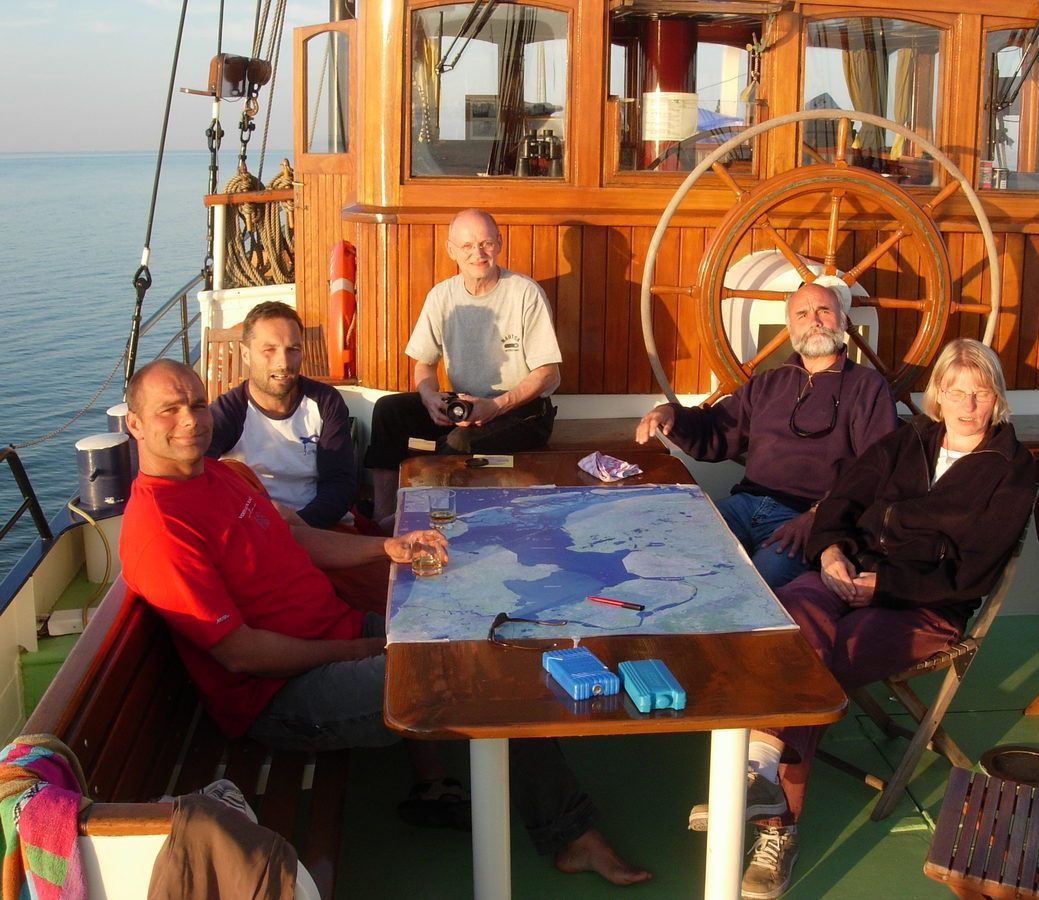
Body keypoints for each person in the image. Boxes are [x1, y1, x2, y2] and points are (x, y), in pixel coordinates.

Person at [119, 359, 649, 886]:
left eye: (196, 403)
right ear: (135, 424)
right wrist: (356, 651)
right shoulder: (160, 529)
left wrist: (387, 547)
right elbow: (241, 653)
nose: (191, 418)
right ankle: (571, 835)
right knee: (475, 673)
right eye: (169, 409)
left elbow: (297, 539)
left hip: (339, 638)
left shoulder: (219, 472)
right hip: (281, 695)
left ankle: (520, 809)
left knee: (476, 639)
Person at [689, 338, 1038, 900]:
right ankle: (760, 777)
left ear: (996, 399)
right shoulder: (908, 441)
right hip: (847, 575)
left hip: (923, 607)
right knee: (788, 630)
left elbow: (972, 576)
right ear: (939, 396)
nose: (967, 405)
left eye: (980, 393)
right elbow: (842, 505)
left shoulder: (1011, 473)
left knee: (815, 669)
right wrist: (830, 554)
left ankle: (774, 820)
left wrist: (886, 584)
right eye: (956, 391)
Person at [635, 283, 897, 586]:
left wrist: (819, 517)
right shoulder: (768, 383)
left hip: (804, 519)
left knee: (757, 586)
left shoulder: (868, 387)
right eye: (802, 314)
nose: (814, 321)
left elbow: (875, 471)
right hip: (745, 503)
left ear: (843, 321)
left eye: (824, 311)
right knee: (671, 550)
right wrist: (672, 414)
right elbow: (718, 429)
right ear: (790, 328)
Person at [364, 209, 562, 524]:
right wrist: (429, 396)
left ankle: (435, 522)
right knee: (388, 411)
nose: (478, 254)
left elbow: (547, 372)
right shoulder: (441, 296)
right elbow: (424, 364)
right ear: (451, 250)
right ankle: (385, 518)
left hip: (522, 409)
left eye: (485, 243)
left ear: (499, 243)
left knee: (457, 443)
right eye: (467, 246)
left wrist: (495, 406)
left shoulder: (525, 293)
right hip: (465, 404)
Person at [208, 301, 357, 529]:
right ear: (246, 355)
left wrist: (302, 528)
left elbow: (340, 482)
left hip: (321, 526)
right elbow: (195, 470)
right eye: (269, 350)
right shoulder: (230, 411)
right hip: (258, 531)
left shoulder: (326, 402)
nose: (283, 363)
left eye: (293, 350)